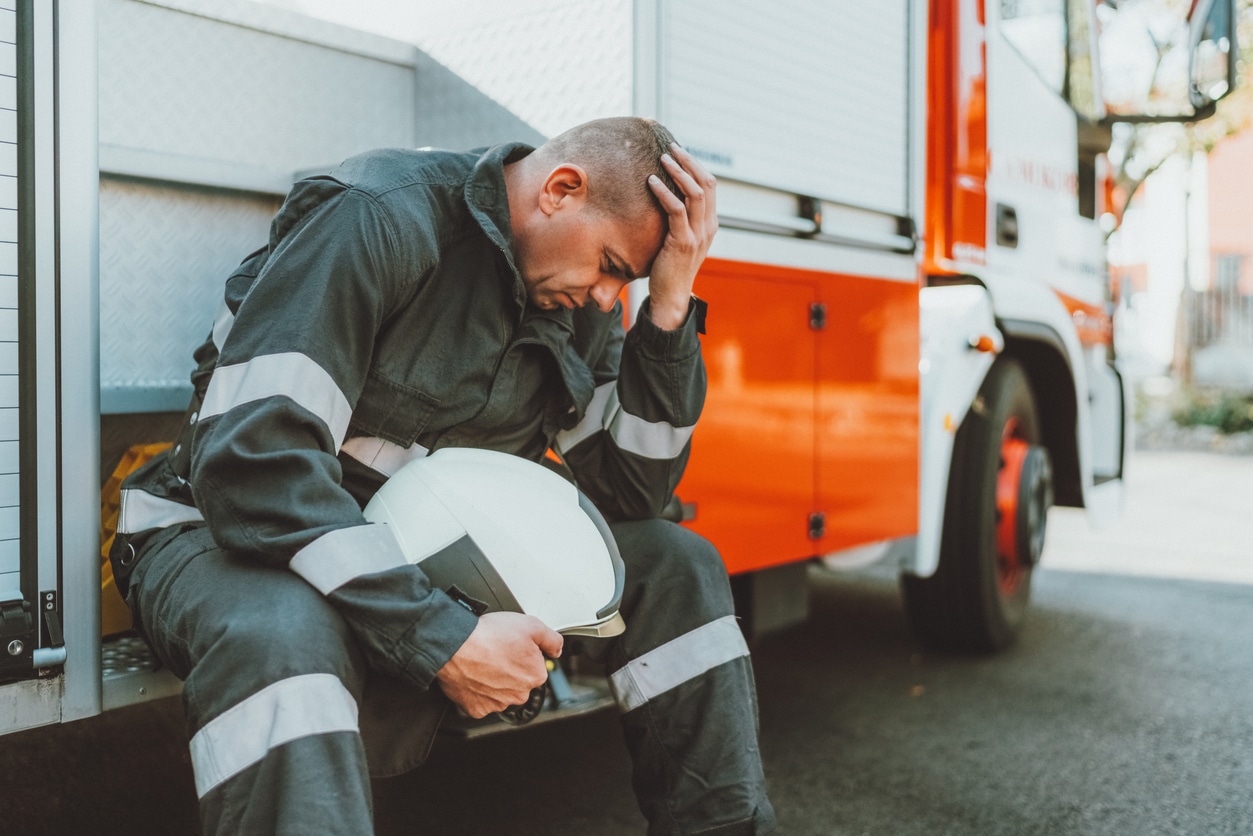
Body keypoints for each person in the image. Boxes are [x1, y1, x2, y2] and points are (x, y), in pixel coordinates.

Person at [110, 116, 776, 835]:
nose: (610, 298)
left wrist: (670, 312)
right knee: (282, 635)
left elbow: (632, 497)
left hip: (423, 548)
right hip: (228, 535)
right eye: (615, 266)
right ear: (560, 189)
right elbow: (253, 465)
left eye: (630, 281)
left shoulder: (571, 292)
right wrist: (440, 636)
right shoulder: (376, 217)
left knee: (675, 561)